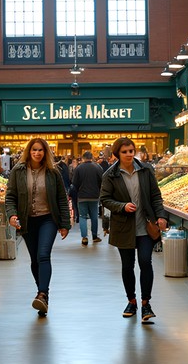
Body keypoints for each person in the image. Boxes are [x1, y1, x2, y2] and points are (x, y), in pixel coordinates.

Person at [100, 137, 167, 323]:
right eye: (125, 152)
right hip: (124, 227)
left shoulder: (145, 170)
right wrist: (122, 206)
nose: (129, 154)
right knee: (127, 266)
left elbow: (155, 195)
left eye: (131, 151)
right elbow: (104, 199)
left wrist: (161, 216)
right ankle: (131, 300)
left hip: (146, 225)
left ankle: (146, 303)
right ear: (117, 154)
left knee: (145, 262)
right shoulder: (110, 175)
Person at [4, 138, 70, 316]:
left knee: (43, 255)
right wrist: (11, 214)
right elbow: (10, 196)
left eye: (41, 150)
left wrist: (65, 224)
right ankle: (41, 294)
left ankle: (43, 294)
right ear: (29, 151)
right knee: (34, 259)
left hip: (48, 219)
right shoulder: (18, 171)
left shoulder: (52, 172)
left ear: (45, 152)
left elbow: (61, 198)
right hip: (27, 220)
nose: (37, 153)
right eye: (34, 149)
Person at [71, 150, 103, 246]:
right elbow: (102, 181)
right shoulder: (98, 167)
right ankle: (94, 236)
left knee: (82, 216)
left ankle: (84, 237)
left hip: (82, 196)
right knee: (94, 216)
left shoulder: (79, 168)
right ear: (92, 157)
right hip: (94, 196)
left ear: (83, 158)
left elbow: (74, 183)